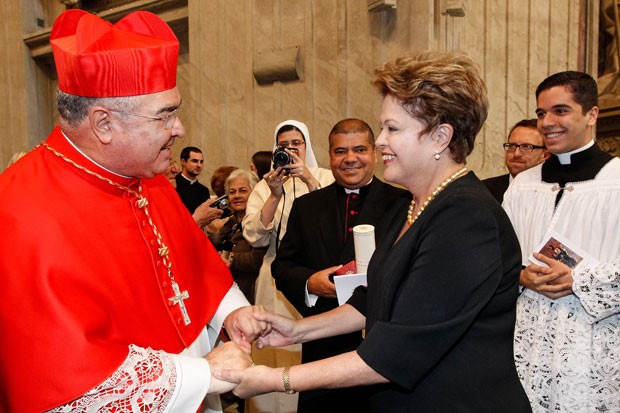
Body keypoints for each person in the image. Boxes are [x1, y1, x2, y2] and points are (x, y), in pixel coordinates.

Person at [218, 51, 531, 412]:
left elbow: (397, 351)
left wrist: (274, 380)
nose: (380, 140)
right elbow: (374, 300)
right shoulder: (414, 205)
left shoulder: (466, 218)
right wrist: (296, 331)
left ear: (441, 137)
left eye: (393, 129)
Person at [0, 10, 267, 413]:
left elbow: (190, 264)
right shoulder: (19, 211)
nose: (179, 129)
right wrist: (203, 373)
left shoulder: (145, 174)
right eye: (165, 115)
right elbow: (68, 383)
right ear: (104, 123)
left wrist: (231, 312)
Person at [271, 118, 410, 412]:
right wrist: (311, 283)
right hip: (323, 346)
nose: (350, 159)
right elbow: (282, 267)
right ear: (330, 155)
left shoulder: (403, 202)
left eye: (359, 149)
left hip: (381, 346)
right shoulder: (307, 206)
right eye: (340, 151)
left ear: (374, 153)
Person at [503, 71, 620, 412]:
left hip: (593, 349)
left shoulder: (616, 182)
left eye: (560, 111)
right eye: (541, 113)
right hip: (524, 345)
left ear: (592, 115)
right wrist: (519, 274)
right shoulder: (523, 185)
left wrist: (579, 279)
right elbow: (497, 258)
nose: (547, 122)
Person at [242, 120, 334, 412]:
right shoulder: (264, 186)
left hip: (315, 273)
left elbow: (333, 221)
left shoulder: (325, 177)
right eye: (284, 145)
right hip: (274, 276)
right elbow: (254, 237)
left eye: (297, 143)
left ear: (306, 147)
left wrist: (308, 179)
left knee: (308, 343)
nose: (291, 149)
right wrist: (273, 194)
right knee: (273, 347)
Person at [211, 169, 267, 304]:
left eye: (243, 191)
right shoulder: (231, 222)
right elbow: (215, 244)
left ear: (254, 193)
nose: (237, 196)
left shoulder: (262, 221)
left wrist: (229, 258)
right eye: (232, 192)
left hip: (250, 294)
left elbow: (258, 259)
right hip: (226, 293)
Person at [483, 119, 550, 203]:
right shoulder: (484, 190)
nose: (516, 154)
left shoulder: (553, 192)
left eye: (526, 147)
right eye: (512, 146)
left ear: (545, 155)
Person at [176, 146, 211, 213]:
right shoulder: (174, 185)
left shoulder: (204, 190)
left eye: (201, 162)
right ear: (183, 161)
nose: (199, 165)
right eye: (194, 161)